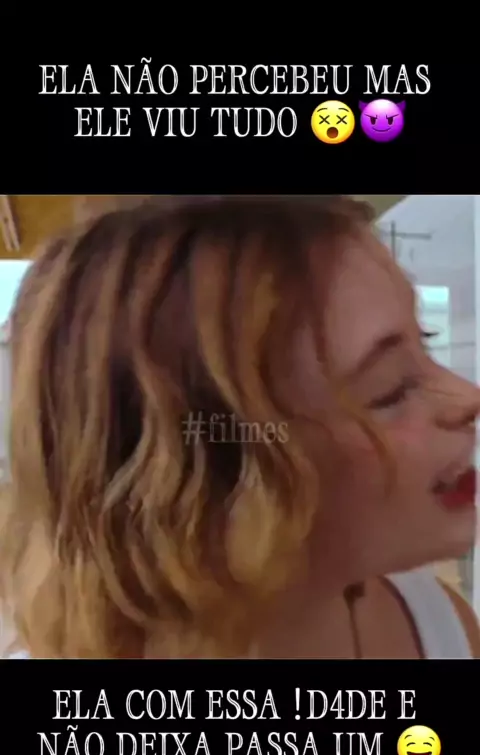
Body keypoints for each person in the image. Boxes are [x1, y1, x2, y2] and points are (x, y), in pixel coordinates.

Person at [1, 195, 479, 660]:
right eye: (391, 388)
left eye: (425, 341)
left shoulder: (438, 623)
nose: (467, 396)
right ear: (207, 481)